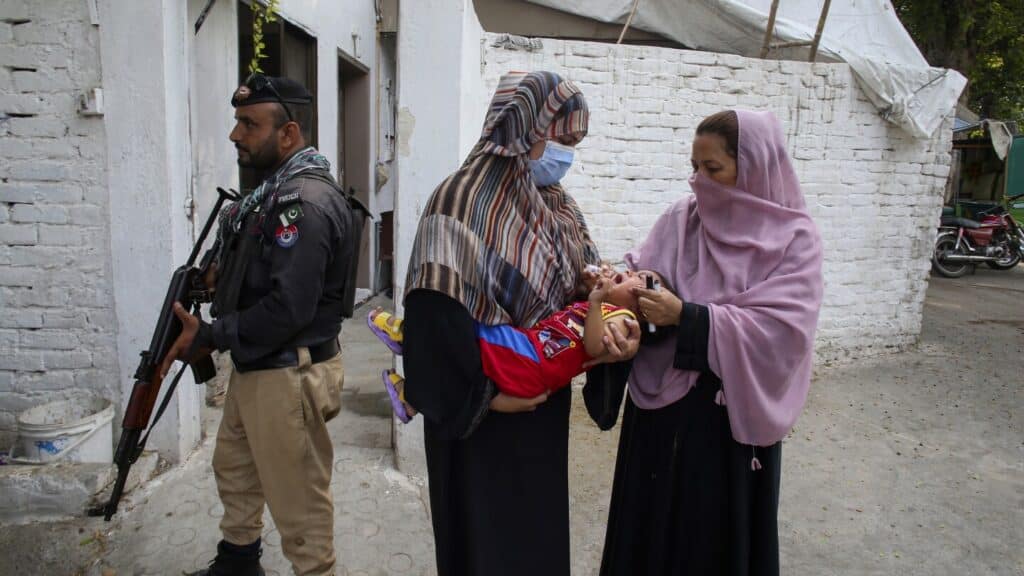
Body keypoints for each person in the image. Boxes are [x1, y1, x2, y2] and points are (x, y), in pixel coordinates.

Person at [401, 70, 640, 576]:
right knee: (483, 549)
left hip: (540, 412)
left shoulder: (559, 207)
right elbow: (431, 319)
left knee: (536, 543)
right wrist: (485, 398)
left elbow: (581, 293)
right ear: (522, 129)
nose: (566, 154)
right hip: (478, 420)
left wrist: (610, 316)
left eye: (574, 143)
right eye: (561, 138)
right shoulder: (458, 201)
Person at [587, 109, 824, 575]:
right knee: (648, 533)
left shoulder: (795, 241)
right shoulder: (682, 218)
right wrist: (628, 308)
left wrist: (688, 316)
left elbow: (783, 336)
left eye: (713, 168)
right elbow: (643, 275)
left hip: (724, 427)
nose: (699, 181)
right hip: (658, 417)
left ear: (753, 169)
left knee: (709, 541)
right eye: (694, 167)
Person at [159, 75, 357, 576]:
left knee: (299, 503)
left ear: (288, 134)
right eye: (237, 122)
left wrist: (211, 336)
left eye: (249, 124)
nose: (235, 134)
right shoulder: (268, 197)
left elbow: (290, 309)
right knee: (236, 472)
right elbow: (262, 273)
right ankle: (238, 564)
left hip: (288, 374)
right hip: (258, 365)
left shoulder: (302, 204)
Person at [369, 270, 649, 422]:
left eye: (643, 280)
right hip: (531, 350)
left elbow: (594, 346)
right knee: (467, 348)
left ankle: (407, 336)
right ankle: (411, 400)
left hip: (533, 361)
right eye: (635, 270)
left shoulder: (624, 318)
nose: (632, 272)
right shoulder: (604, 305)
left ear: (642, 306)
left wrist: (597, 302)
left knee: (470, 330)